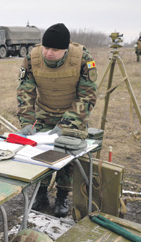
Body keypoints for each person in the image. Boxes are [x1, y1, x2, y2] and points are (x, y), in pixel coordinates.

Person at [16, 23, 98, 217]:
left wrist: (66, 124)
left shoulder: (83, 59)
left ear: (66, 49)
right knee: (40, 154)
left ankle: (62, 195)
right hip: (44, 113)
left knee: (66, 154)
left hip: (73, 115)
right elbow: (25, 90)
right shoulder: (32, 58)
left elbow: (87, 96)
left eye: (55, 49)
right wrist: (27, 121)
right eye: (46, 47)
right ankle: (41, 193)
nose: (49, 53)